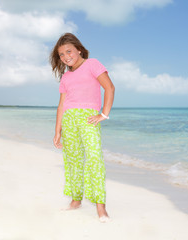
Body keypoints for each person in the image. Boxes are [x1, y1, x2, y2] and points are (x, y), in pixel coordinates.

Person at [50, 33, 115, 222]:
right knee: (73, 161)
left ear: (79, 49)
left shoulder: (92, 64)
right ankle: (76, 200)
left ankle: (100, 207)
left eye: (68, 51)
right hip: (69, 120)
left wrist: (103, 114)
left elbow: (109, 88)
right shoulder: (66, 77)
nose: (65, 56)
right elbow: (61, 105)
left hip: (88, 119)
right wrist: (57, 131)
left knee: (95, 158)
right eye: (61, 54)